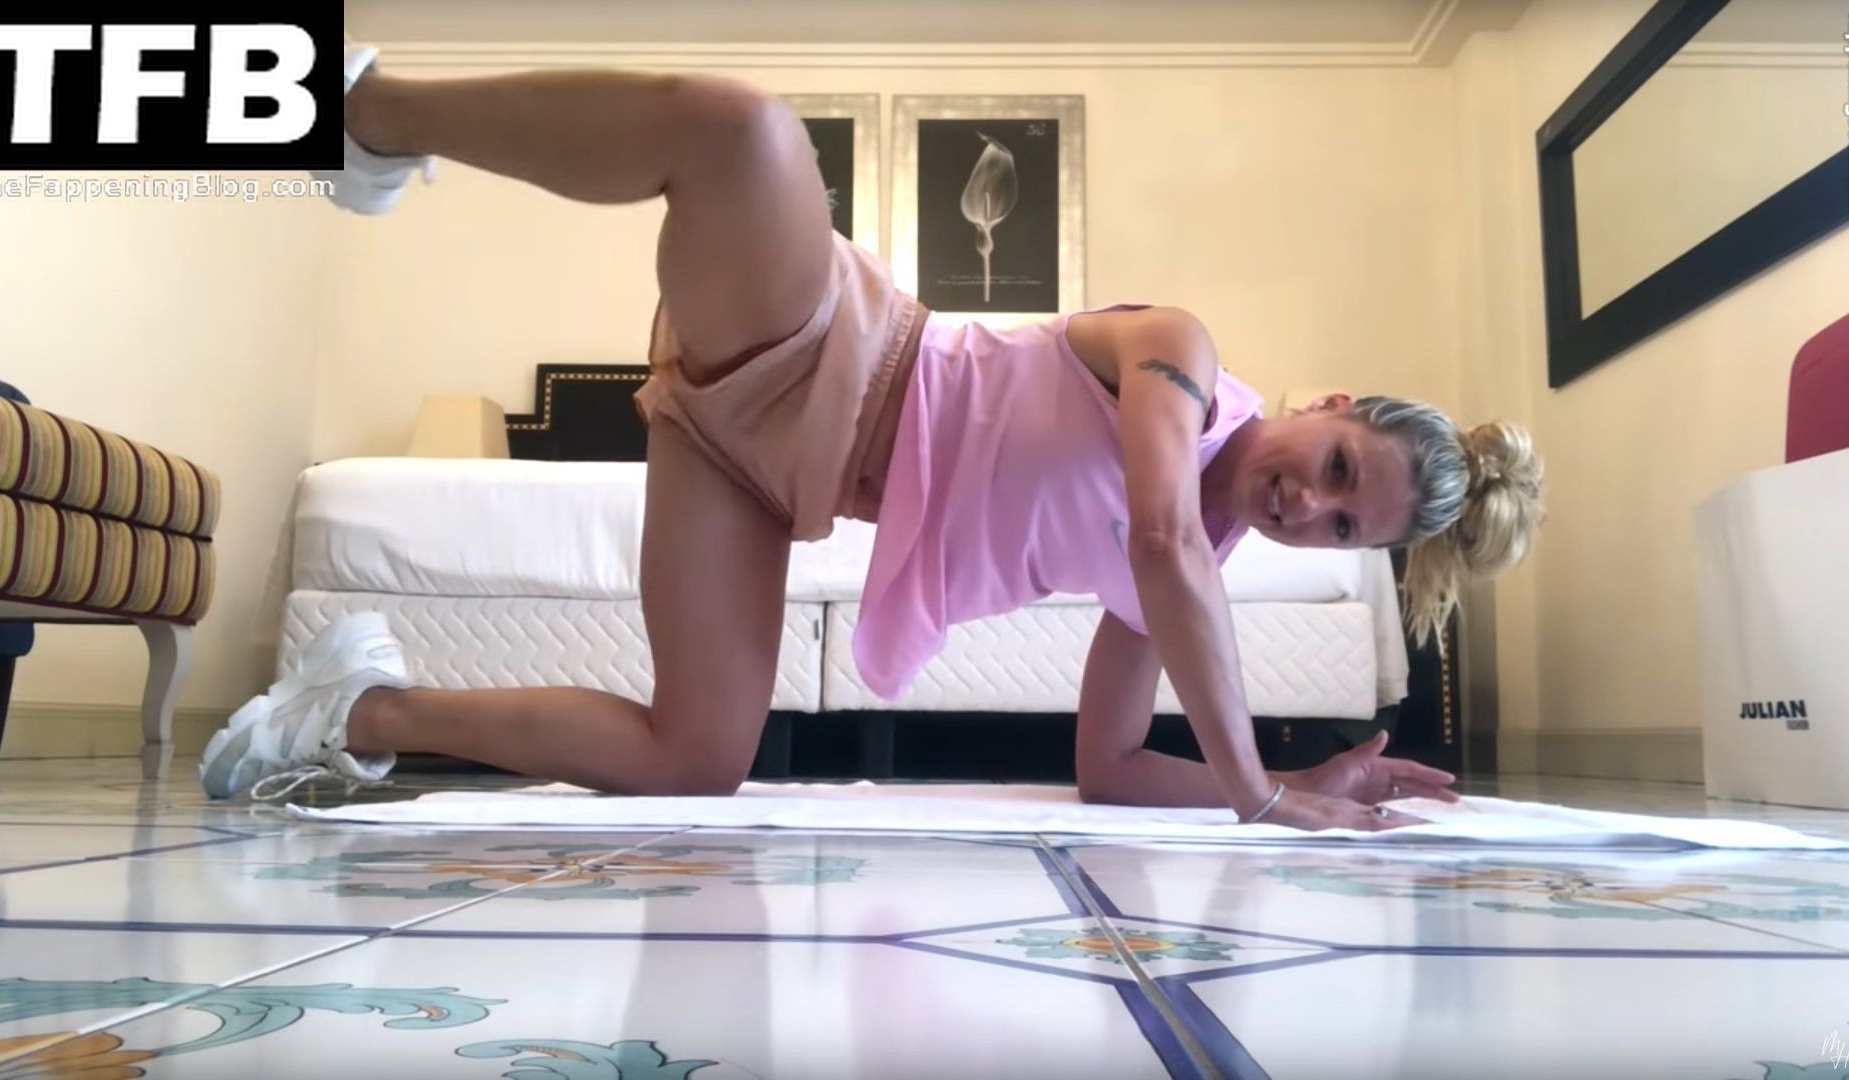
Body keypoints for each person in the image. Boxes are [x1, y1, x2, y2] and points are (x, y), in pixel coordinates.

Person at [199, 48, 1545, 831]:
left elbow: (1111, 766)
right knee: (741, 134)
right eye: (1336, 468)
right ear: (1326, 404)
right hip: (827, 344)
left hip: (755, 474)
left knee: (697, 759)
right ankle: (377, 119)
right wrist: (1259, 791)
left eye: (1343, 526)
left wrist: (1288, 776)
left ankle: (351, 707)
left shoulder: (1181, 585)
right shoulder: (1182, 359)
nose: (1308, 506)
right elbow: (1158, 531)